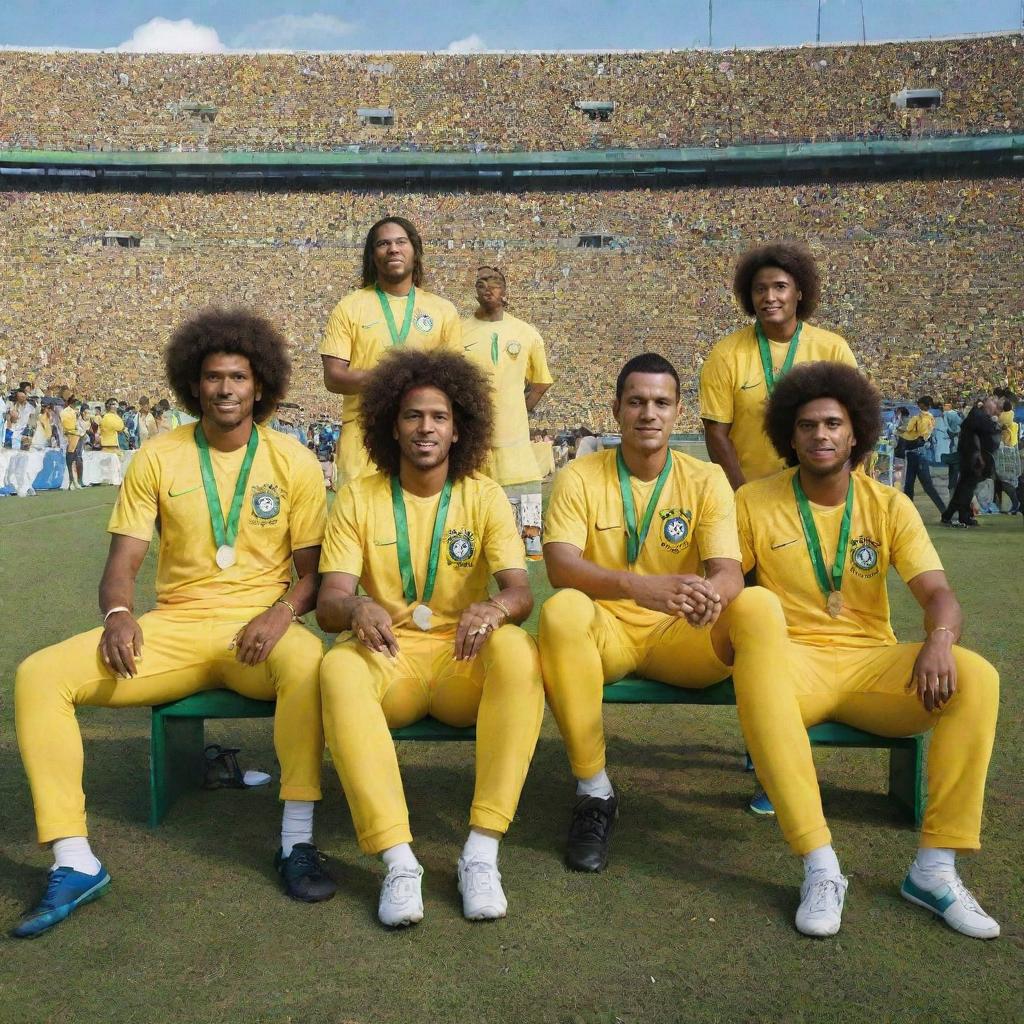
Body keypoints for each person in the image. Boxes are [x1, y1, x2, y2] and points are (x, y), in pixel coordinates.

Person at [11, 308, 335, 939]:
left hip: (261, 633)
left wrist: (283, 612)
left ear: (260, 385)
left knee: (309, 663)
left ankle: (296, 840)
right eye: (213, 377)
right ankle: (75, 860)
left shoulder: (293, 461)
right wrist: (119, 613)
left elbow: (313, 573)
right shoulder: (157, 457)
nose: (225, 389)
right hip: (176, 630)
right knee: (38, 677)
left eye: (238, 377)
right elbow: (122, 561)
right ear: (194, 385)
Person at [539, 352, 846, 936]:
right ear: (616, 410)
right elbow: (559, 564)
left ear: (677, 412)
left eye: (660, 402)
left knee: (756, 603)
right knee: (561, 612)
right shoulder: (579, 475)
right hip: (608, 634)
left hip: (685, 637)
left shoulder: (704, 478)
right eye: (636, 401)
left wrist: (715, 591)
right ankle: (594, 793)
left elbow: (729, 569)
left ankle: (816, 852)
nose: (648, 413)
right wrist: (638, 586)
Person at [736, 361, 1000, 939]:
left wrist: (938, 639)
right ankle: (820, 865)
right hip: (792, 664)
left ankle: (934, 868)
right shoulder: (753, 501)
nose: (821, 435)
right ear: (790, 433)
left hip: (869, 666)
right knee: (762, 671)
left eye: (833, 423)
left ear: (856, 432)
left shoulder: (887, 504)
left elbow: (938, 594)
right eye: (807, 425)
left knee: (975, 676)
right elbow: (730, 583)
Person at [317, 349, 543, 927]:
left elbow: (521, 591)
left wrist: (492, 609)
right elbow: (329, 601)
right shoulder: (358, 497)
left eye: (438, 417)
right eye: (413, 415)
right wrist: (357, 605)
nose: (425, 428)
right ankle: (398, 861)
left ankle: (482, 852)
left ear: (458, 426)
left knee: (518, 649)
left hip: (461, 664)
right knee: (337, 668)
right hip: (389, 661)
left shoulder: (485, 494)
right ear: (391, 424)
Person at [700, 242, 857, 490]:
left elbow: (854, 424)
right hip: (752, 493)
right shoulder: (725, 355)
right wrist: (743, 495)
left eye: (780, 287)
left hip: (817, 494)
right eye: (760, 289)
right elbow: (716, 434)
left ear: (799, 292)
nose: (769, 297)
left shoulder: (833, 350)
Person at [320, 216, 461, 489]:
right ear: (373, 256)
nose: (393, 249)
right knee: (358, 524)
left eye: (400, 242)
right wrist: (389, 379)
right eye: (383, 243)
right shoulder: (349, 307)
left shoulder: (443, 310)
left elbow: (454, 378)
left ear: (415, 251)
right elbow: (333, 377)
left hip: (422, 436)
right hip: (364, 436)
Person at [462, 265, 554, 558]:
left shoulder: (526, 333)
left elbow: (540, 382)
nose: (487, 288)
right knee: (473, 498)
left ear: (505, 290)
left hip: (514, 440)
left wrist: (519, 409)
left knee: (525, 483)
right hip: (474, 437)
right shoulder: (458, 332)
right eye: (481, 284)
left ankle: (530, 539)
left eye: (495, 282)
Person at [941, 395, 1002, 528]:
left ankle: (949, 514)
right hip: (973, 458)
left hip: (972, 456)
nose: (995, 406)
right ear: (985, 403)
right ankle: (963, 516)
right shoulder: (978, 416)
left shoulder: (978, 416)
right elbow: (988, 431)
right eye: (993, 402)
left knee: (964, 486)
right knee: (967, 487)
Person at [900, 395, 946, 516]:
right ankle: (907, 513)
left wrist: (906, 441)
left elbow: (921, 438)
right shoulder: (922, 417)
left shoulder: (926, 419)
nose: (918, 405)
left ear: (925, 405)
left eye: (920, 404)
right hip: (914, 454)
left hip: (918, 454)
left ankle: (945, 512)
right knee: (909, 486)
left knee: (926, 486)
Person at [61, 396, 85, 488]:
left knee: (76, 458)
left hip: (76, 435)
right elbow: (68, 427)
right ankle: (71, 481)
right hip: (71, 436)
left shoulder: (74, 412)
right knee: (71, 458)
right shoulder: (66, 412)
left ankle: (75, 481)